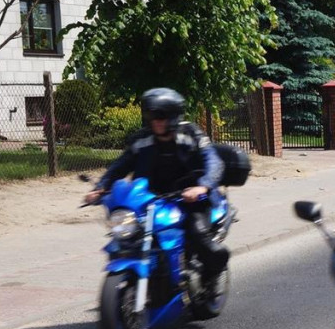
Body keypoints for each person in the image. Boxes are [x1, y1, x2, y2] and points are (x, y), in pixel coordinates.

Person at [84, 88, 229, 294]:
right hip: (153, 200)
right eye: (152, 116)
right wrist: (101, 188)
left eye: (160, 116)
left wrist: (202, 186)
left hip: (190, 198)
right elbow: (121, 165)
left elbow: (213, 161)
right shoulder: (142, 140)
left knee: (197, 233)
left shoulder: (191, 134)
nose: (156, 121)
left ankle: (212, 274)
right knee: (129, 236)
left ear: (172, 116)